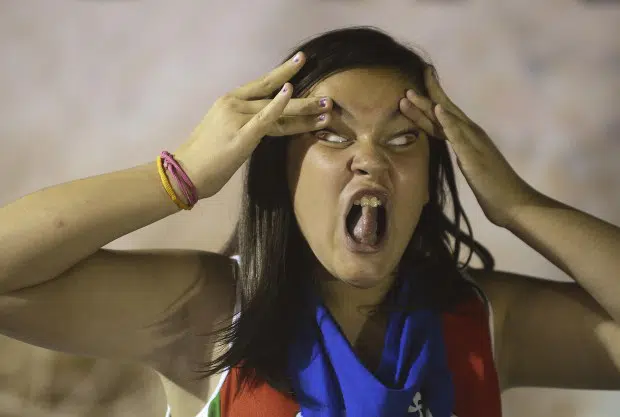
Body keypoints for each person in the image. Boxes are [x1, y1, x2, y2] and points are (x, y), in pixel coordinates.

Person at [0, 26, 618, 417]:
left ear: (430, 184)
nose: (370, 159)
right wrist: (182, 173)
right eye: (333, 135)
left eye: (402, 138)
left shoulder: (484, 322)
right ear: (282, 172)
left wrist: (519, 205)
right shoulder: (212, 315)